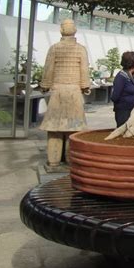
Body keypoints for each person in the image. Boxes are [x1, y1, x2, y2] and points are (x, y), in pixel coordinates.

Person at [40, 19, 91, 170]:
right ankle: (69, 160)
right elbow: (84, 71)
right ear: (74, 30)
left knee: (55, 128)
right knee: (72, 128)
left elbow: (48, 70)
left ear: (61, 30)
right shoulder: (81, 49)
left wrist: (45, 85)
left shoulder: (54, 48)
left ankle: (54, 161)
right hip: (74, 92)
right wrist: (85, 86)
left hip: (57, 91)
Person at [110, 51, 134, 127]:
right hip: (124, 112)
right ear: (132, 63)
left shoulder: (131, 76)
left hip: (133, 110)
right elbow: (114, 96)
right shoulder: (121, 77)